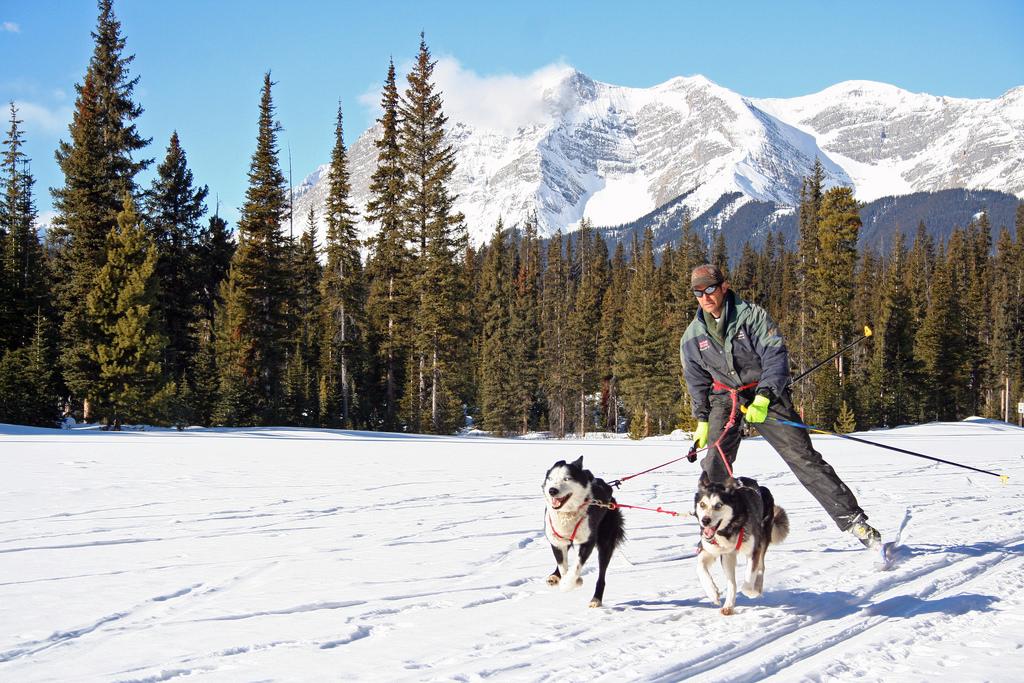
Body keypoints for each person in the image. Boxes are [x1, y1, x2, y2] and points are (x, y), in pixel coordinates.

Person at [679, 263, 881, 548]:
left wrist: (764, 396)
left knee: (802, 457)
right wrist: (702, 419)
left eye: (710, 289)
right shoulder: (692, 337)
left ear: (724, 287)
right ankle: (712, 535)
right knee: (713, 465)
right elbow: (696, 381)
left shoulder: (753, 317)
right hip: (726, 400)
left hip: (765, 394)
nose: (705, 296)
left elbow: (775, 356)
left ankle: (854, 522)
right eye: (698, 292)